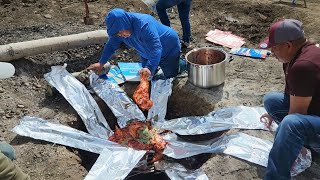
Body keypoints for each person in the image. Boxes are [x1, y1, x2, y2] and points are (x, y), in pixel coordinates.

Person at [259, 19, 320, 180]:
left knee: (291, 125)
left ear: (288, 45)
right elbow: (290, 94)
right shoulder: (294, 56)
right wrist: (273, 115)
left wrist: (285, 144)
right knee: (271, 101)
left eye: (274, 47)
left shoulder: (304, 65)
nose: (272, 52)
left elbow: (295, 114)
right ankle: (307, 143)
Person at [87, 8, 181, 79]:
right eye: (118, 33)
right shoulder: (120, 32)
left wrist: (149, 67)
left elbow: (156, 49)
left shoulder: (144, 25)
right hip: (145, 51)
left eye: (121, 31)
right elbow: (111, 46)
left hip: (168, 47)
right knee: (146, 76)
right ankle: (155, 68)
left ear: (125, 23)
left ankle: (182, 64)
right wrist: (101, 63)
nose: (121, 35)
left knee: (170, 76)